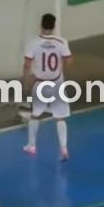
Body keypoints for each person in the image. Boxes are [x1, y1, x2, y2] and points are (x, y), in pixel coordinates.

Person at [22, 13, 73, 161]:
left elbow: (27, 64)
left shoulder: (32, 42)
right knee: (60, 117)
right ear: (54, 26)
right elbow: (69, 61)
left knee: (35, 114)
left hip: (40, 83)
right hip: (57, 81)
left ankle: (31, 146)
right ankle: (63, 147)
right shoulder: (61, 41)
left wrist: (26, 81)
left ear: (41, 24)